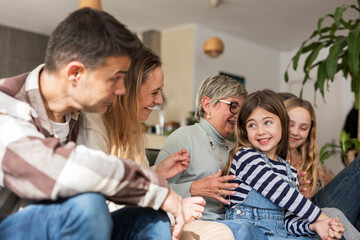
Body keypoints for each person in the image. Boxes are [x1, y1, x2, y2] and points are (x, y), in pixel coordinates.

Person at [0, 8, 185, 240]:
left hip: (66, 225)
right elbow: (56, 168)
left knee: (150, 215)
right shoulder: (6, 105)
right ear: (75, 73)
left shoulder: (79, 115)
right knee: (88, 204)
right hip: (12, 226)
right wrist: (152, 187)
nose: (122, 90)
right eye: (115, 78)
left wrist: (156, 190)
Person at [77, 48, 235, 239]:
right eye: (154, 92)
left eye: (161, 91)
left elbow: (129, 182)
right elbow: (105, 195)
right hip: (110, 223)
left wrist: (157, 172)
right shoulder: (95, 124)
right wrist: (174, 210)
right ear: (128, 90)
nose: (159, 100)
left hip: (140, 215)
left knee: (223, 231)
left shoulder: (132, 130)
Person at [223, 89, 344, 239]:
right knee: (244, 230)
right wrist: (321, 217)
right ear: (244, 130)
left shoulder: (289, 171)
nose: (260, 131)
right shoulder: (245, 157)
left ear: (283, 124)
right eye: (252, 125)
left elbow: (286, 222)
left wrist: (314, 225)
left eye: (268, 122)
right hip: (251, 233)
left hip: (278, 235)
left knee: (318, 234)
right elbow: (280, 192)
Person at [155, 75, 248, 237]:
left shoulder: (235, 148)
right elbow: (155, 189)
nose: (238, 115)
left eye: (242, 110)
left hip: (230, 221)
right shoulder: (184, 136)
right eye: (233, 106)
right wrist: (193, 188)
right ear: (207, 105)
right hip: (193, 220)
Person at [284, 97, 360, 238]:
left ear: (310, 131)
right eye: (290, 124)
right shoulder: (268, 156)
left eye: (303, 128)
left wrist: (321, 177)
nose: (295, 132)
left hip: (319, 208)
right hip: (302, 217)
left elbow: (339, 191)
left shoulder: (309, 159)